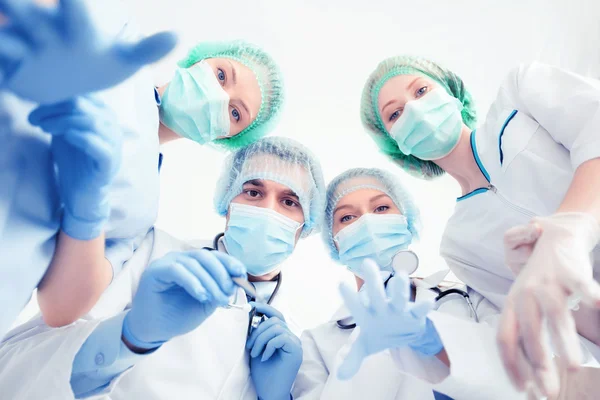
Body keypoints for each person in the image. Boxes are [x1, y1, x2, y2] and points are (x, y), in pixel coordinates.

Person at [0, 0, 284, 335]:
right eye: (221, 75)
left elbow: (60, 307)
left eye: (236, 113)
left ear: (227, 139)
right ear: (200, 59)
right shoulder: (117, 42)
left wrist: (87, 208)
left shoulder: (141, 210)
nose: (219, 98)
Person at [0, 136, 325, 400]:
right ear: (227, 201)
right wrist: (130, 336)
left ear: (306, 222)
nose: (268, 210)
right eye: (253, 192)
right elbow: (12, 370)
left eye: (289, 201)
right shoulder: (152, 254)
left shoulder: (296, 342)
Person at [358, 56, 600, 396]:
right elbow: (557, 330)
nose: (415, 111)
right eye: (395, 114)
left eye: (422, 90)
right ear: (397, 146)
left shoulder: (520, 96)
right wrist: (569, 297)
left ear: (451, 92)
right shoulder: (459, 245)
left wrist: (575, 225)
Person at [293, 168, 541, 400]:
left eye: (381, 208)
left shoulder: (468, 297)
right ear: (333, 242)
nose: (367, 223)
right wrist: (369, 348)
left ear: (406, 219)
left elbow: (523, 380)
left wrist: (437, 343)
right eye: (347, 217)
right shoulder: (316, 343)